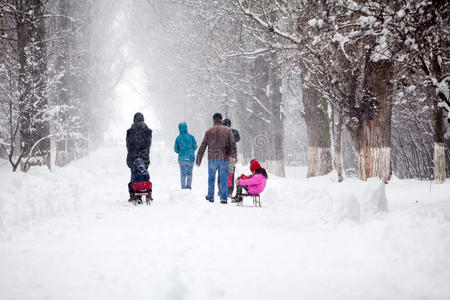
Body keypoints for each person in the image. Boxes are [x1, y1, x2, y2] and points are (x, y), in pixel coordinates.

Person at [196, 113, 237, 204]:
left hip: (212, 158)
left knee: (211, 178)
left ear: (213, 120)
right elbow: (232, 144)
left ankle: (210, 197)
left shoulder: (209, 131)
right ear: (221, 120)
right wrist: (233, 155)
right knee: (224, 178)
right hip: (224, 158)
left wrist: (198, 160)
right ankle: (223, 198)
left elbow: (203, 146)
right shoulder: (228, 130)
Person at [126, 112, 152, 202]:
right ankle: (144, 192)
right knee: (143, 175)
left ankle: (134, 194)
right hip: (144, 158)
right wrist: (143, 155)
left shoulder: (130, 131)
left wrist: (133, 154)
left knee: (134, 175)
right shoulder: (147, 131)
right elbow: (148, 145)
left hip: (132, 157)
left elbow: (128, 145)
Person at [174, 122, 197, 189]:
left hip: (182, 158)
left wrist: (181, 151)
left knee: (183, 173)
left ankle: (183, 187)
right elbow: (195, 147)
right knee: (190, 173)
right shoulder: (191, 137)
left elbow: (176, 149)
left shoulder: (178, 138)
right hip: (190, 158)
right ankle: (189, 186)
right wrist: (190, 150)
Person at [221, 118, 240, 197]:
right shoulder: (234, 132)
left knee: (222, 173)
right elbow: (238, 138)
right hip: (232, 156)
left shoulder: (221, 132)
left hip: (223, 156)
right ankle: (229, 190)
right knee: (230, 174)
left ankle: (222, 190)